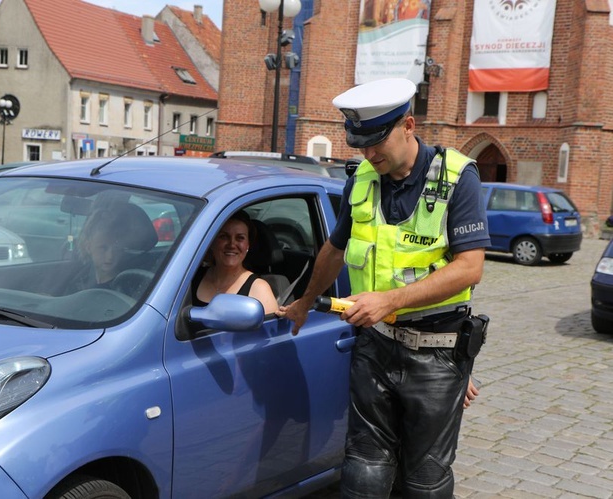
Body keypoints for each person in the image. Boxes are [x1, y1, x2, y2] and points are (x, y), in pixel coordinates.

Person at [279, 77, 491, 498]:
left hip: (436, 354)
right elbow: (334, 249)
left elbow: (470, 268)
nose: (369, 153)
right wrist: (303, 301)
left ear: (408, 125)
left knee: (425, 478)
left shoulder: (457, 176)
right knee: (364, 469)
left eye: (377, 142)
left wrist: (390, 302)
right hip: (374, 347)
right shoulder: (362, 179)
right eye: (361, 144)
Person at [193, 210, 279, 315]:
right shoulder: (192, 277)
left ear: (248, 245)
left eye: (240, 238)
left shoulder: (259, 289)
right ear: (212, 242)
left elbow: (269, 330)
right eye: (224, 236)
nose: (232, 244)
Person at [68, 204, 158, 292]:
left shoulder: (127, 286)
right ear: (88, 247)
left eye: (117, 249)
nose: (110, 256)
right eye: (103, 248)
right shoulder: (82, 276)